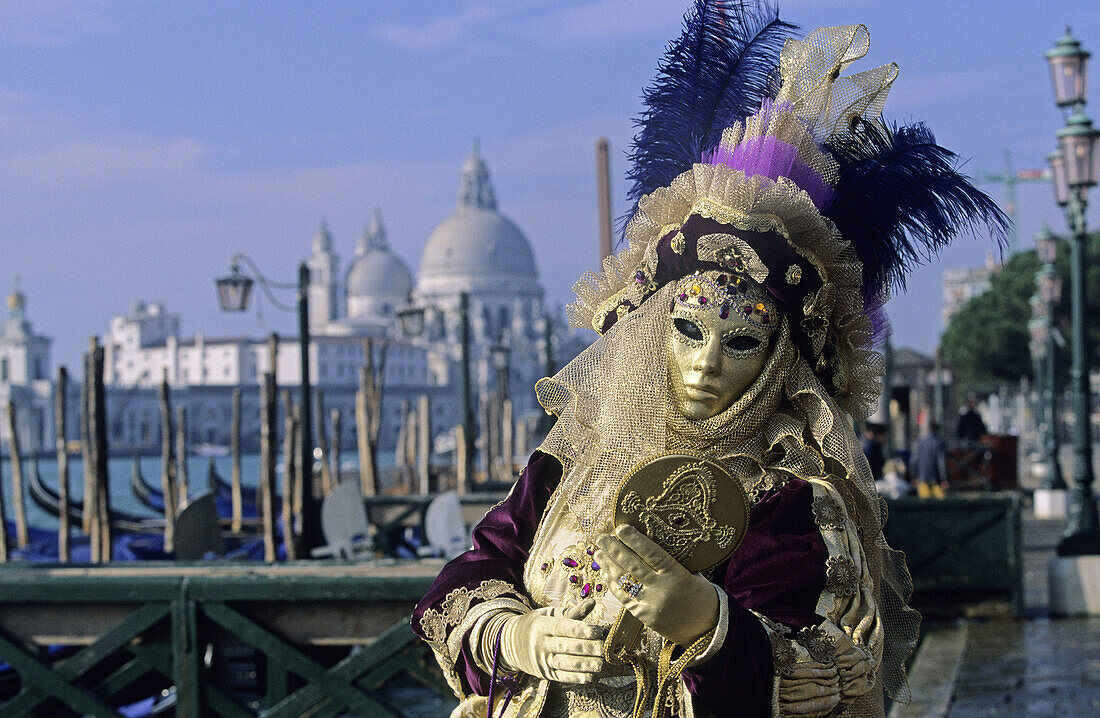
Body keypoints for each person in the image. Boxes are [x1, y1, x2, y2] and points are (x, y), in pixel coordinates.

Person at [412, 3, 1005, 717]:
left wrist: (712, 625)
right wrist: (516, 638)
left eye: (743, 342)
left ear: (781, 361)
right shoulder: (574, 464)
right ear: (653, 329)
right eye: (688, 332)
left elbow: (836, 666)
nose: (705, 366)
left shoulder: (791, 497)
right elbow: (465, 580)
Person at [911, 422, 948, 499]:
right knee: (940, 502)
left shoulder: (918, 442)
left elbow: (914, 461)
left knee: (924, 502)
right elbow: (941, 463)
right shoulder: (939, 442)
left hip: (921, 479)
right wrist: (944, 479)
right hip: (935, 480)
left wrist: (913, 476)